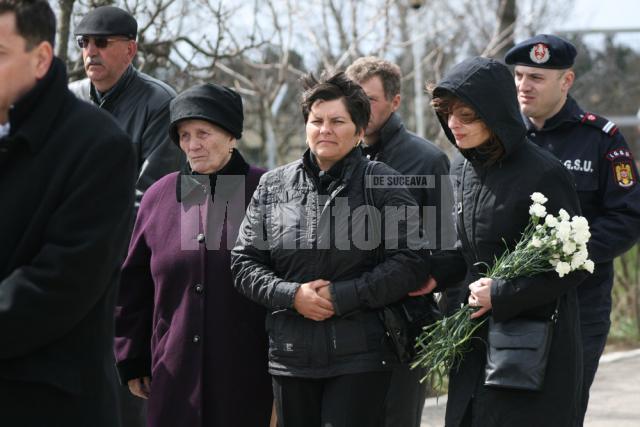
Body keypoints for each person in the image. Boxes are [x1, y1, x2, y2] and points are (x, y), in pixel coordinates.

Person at [231, 71, 431, 427]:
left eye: (338, 121)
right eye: (316, 120)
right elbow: (244, 263)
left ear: (358, 131)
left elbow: (410, 261)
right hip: (290, 356)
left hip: (362, 356)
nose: (325, 129)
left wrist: (342, 296)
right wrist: (292, 295)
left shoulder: (383, 183)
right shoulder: (273, 186)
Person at [430, 57, 588, 426]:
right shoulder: (459, 168)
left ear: (495, 113)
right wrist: (430, 274)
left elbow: (575, 265)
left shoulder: (544, 172)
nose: (454, 125)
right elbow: (465, 250)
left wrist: (503, 293)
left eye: (466, 115)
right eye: (447, 114)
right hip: (472, 342)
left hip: (532, 350)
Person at [0, 1, 136, 426]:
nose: (91, 51)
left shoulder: (102, 145)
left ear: (40, 58)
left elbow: (61, 281)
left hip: (49, 401)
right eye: (85, 43)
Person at [114, 84, 273, 427]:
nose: (192, 144)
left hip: (248, 382)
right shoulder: (160, 196)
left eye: (203, 132)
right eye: (184, 135)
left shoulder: (267, 190)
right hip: (173, 380)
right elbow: (135, 285)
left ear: (232, 135)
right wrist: (133, 359)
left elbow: (287, 285)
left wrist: (286, 382)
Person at [505, 34, 640, 425]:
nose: (524, 86)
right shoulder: (504, 138)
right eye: (520, 76)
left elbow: (627, 216)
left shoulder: (600, 139)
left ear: (566, 81)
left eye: (537, 78)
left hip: (579, 305)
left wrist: (566, 256)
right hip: (513, 301)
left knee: (561, 411)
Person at [345, 56, 455, 427]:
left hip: (403, 329)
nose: (360, 107)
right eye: (353, 97)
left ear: (394, 102)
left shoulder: (428, 161)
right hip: (343, 323)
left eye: (370, 99)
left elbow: (444, 246)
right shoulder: (334, 156)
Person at [70, 5, 182, 209]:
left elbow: (151, 196)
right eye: (84, 42)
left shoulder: (160, 103)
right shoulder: (68, 98)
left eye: (101, 42)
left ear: (130, 50)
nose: (91, 51)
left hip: (127, 236)